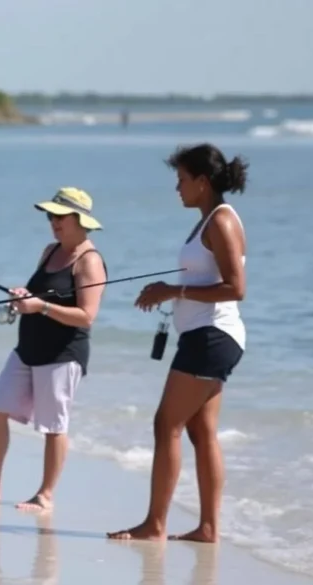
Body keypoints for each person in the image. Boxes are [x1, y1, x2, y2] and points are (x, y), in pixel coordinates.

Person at [108, 143, 248, 542]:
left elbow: (236, 288)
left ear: (202, 182)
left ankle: (155, 524)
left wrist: (173, 290)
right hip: (207, 335)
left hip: (212, 335)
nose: (177, 188)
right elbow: (203, 279)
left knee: (165, 424)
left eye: (182, 180)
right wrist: (169, 289)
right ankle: (207, 528)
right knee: (200, 432)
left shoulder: (221, 221)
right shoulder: (206, 220)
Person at [0, 187, 108, 511]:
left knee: (53, 426)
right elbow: (38, 295)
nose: (53, 222)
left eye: (59, 216)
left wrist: (42, 307)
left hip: (63, 354)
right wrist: (23, 297)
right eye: (50, 215)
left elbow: (86, 317)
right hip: (27, 347)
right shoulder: (50, 251)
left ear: (80, 219)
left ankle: (45, 495)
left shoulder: (89, 261)